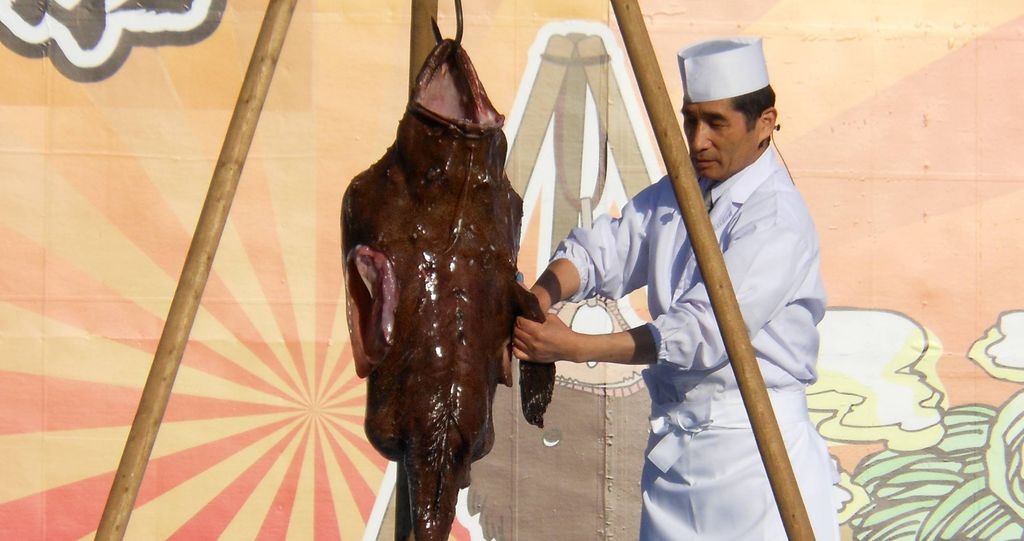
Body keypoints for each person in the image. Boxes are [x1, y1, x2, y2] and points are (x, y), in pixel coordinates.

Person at [512, 36, 840, 540]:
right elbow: (605, 249)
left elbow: (701, 333)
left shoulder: (778, 219)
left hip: (756, 461)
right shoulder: (681, 189)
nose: (698, 139)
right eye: (690, 120)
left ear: (765, 124)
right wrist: (540, 298)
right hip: (676, 458)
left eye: (716, 123)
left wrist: (577, 348)